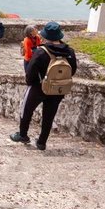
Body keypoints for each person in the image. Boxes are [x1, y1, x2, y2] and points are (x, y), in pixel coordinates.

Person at [10, 22, 77, 151]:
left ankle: (23, 135)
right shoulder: (70, 52)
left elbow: (30, 72)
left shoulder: (41, 51)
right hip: (58, 88)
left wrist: (32, 83)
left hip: (38, 87)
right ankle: (42, 142)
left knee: (27, 110)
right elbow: (72, 70)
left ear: (46, 36)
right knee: (49, 115)